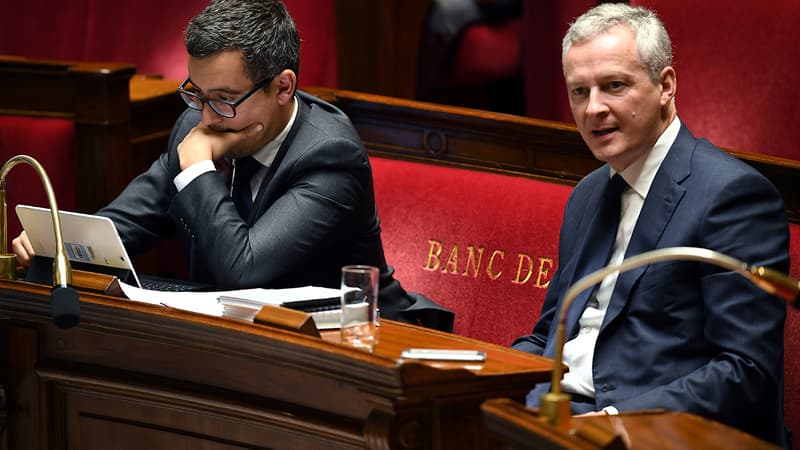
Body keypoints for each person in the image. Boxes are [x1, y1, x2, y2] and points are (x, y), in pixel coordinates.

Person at [10, 0, 454, 331]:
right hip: (246, 342)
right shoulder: (200, 124)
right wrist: (59, 242)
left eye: (223, 99)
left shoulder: (331, 157)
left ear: (283, 87)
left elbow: (242, 270)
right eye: (195, 93)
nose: (204, 116)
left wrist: (199, 170)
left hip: (360, 348)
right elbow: (123, 225)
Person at [511, 3, 790, 446]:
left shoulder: (732, 197)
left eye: (613, 86)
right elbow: (551, 333)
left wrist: (614, 420)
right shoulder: (587, 194)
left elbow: (745, 371)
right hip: (555, 416)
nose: (593, 108)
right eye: (579, 91)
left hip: (646, 431)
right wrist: (480, 378)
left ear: (666, 86)